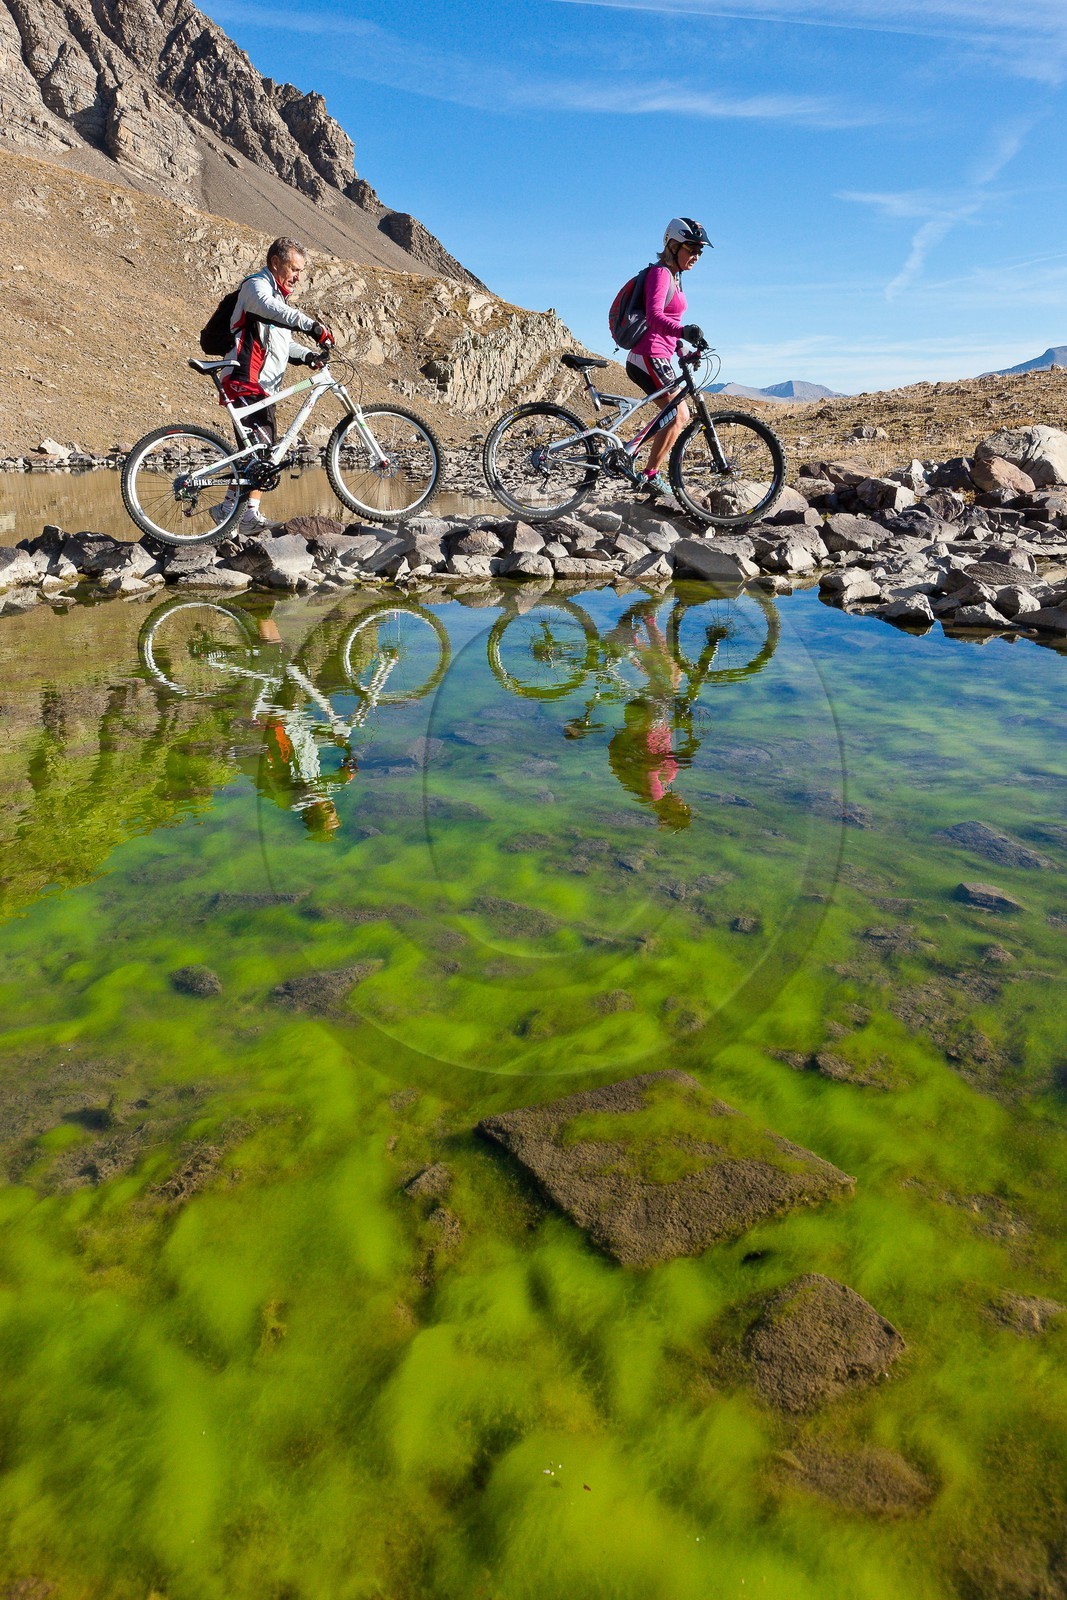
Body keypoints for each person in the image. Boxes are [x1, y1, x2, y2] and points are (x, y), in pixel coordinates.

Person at [217, 237, 334, 532]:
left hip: (262, 387)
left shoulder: (278, 301)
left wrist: (307, 355)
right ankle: (234, 513)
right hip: (244, 379)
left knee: (261, 452)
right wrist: (313, 326)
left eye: (300, 271)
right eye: (293, 269)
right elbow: (274, 310)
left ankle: (238, 512)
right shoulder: (256, 287)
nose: (297, 277)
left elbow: (284, 344)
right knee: (262, 447)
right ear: (275, 263)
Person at [625, 216, 711, 503]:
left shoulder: (675, 277)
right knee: (679, 414)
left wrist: (682, 351)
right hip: (648, 353)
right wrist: (684, 331)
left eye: (700, 251)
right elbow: (655, 318)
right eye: (691, 248)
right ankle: (640, 464)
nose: (696, 256)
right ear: (672, 245)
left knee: (676, 414)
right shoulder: (661, 274)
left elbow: (670, 322)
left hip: (661, 354)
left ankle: (646, 469)